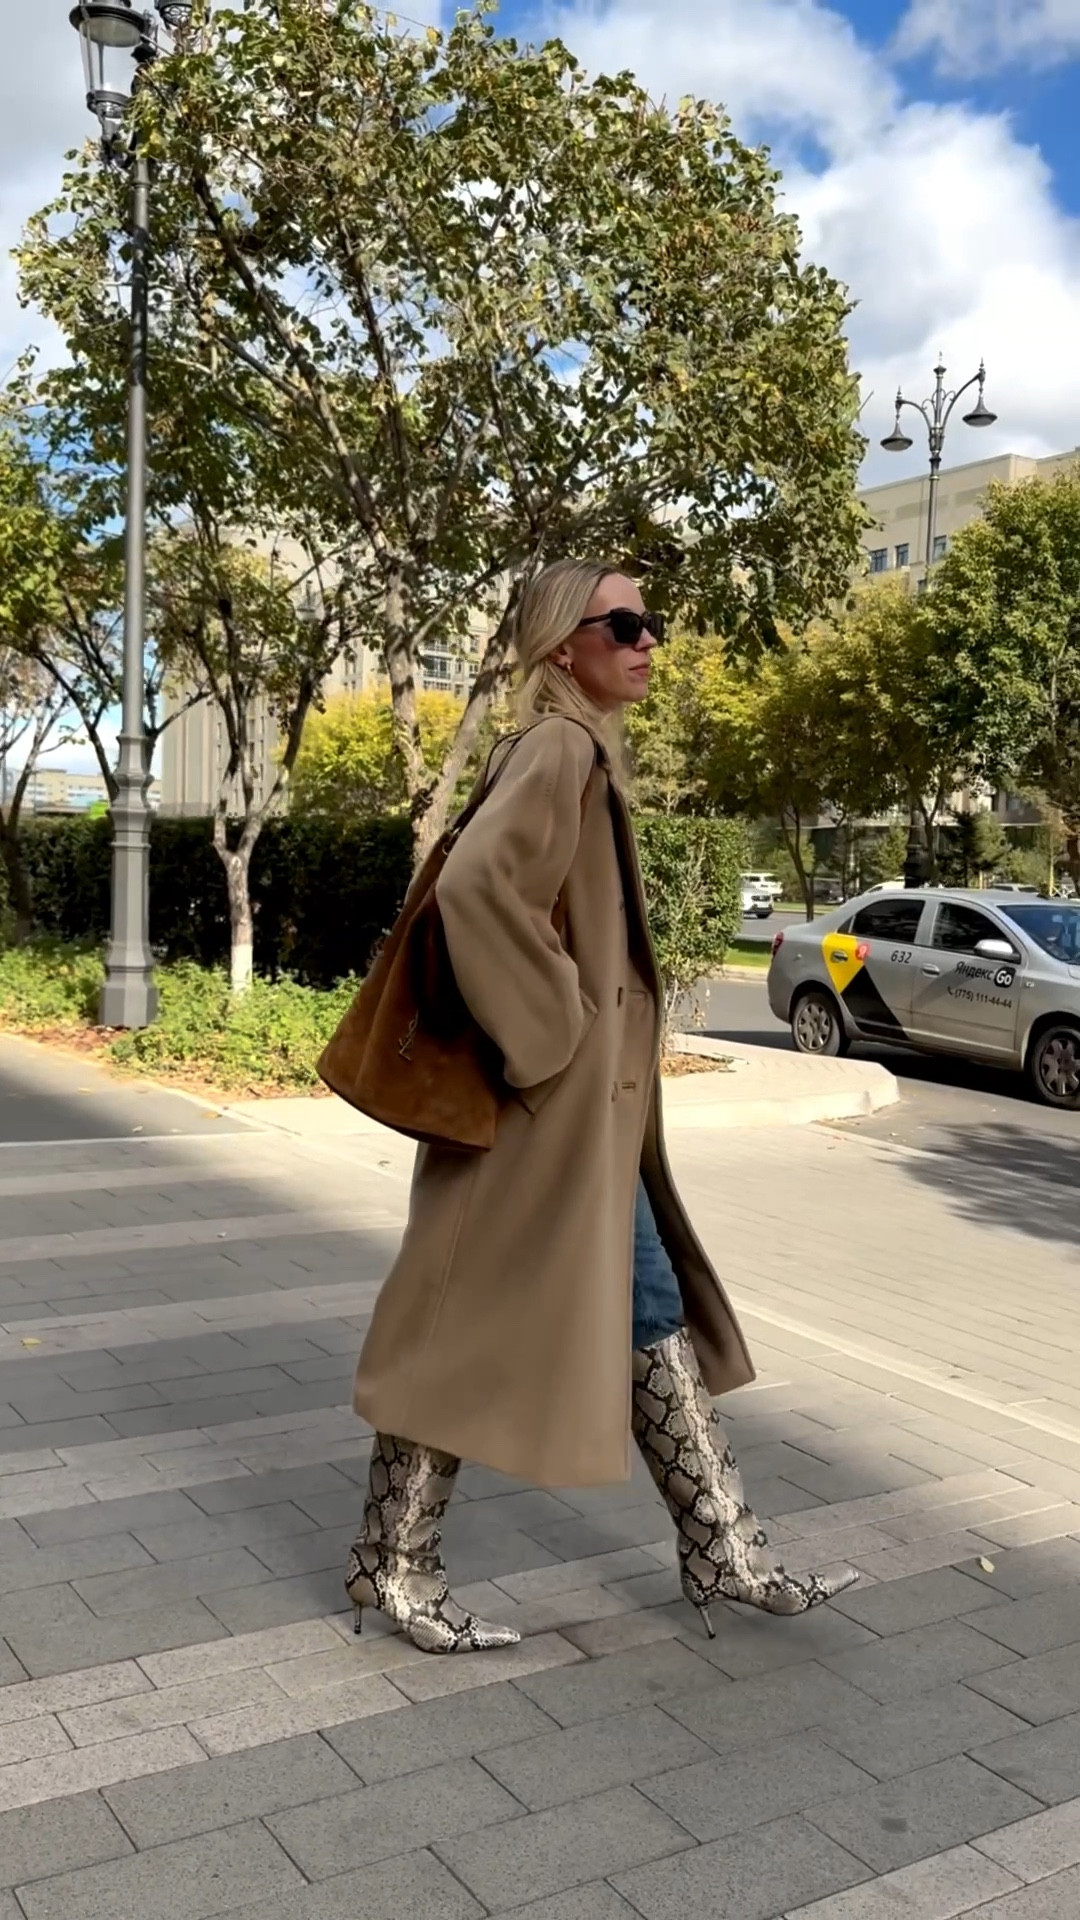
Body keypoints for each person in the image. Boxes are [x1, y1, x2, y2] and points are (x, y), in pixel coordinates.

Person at [345, 558, 857, 1653]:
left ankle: (720, 1545)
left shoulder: (579, 751)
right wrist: (556, 1038)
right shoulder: (561, 746)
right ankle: (394, 1564)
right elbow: (482, 887)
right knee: (468, 1327)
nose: (646, 640)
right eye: (621, 623)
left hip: (579, 1118)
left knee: (642, 1300)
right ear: (560, 645)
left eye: (650, 622)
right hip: (546, 1114)